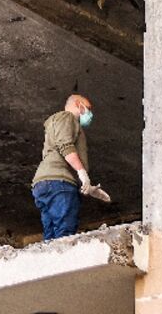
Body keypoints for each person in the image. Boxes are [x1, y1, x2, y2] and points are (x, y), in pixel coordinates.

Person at [32, 94, 110, 240]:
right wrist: (82, 173)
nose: (89, 112)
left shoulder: (57, 123)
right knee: (65, 233)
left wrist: (88, 187)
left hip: (46, 184)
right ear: (79, 104)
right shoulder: (67, 117)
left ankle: (52, 262)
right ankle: (61, 262)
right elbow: (65, 146)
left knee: (51, 236)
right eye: (88, 108)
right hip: (58, 183)